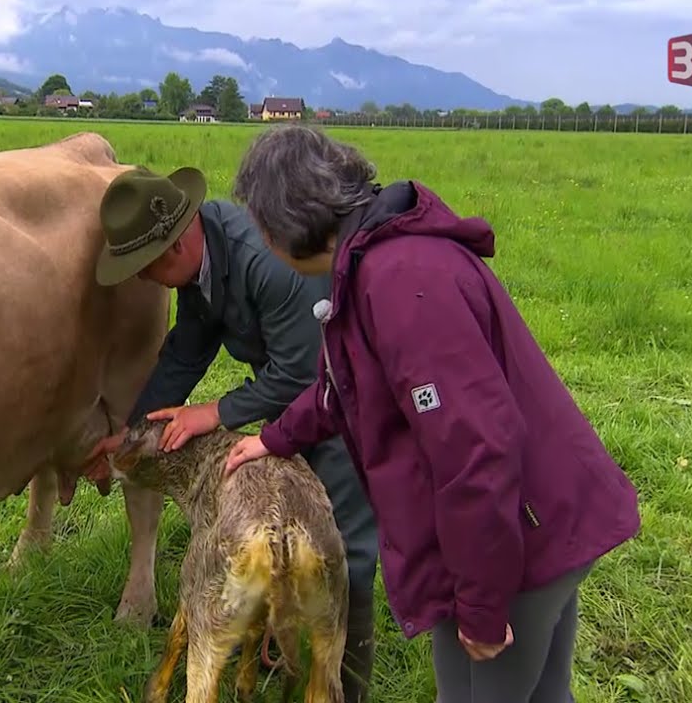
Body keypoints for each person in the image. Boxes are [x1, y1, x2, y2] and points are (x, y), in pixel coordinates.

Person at [222, 124, 642, 703]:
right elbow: (345, 384)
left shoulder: (400, 281)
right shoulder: (369, 261)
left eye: (261, 226)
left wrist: (482, 603)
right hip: (542, 518)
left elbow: (478, 452)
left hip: (516, 541)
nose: (261, 241)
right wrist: (276, 437)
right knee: (544, 695)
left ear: (290, 221)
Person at [83, 165, 379, 701]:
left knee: (341, 545)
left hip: (348, 397)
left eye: (141, 270)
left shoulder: (265, 263)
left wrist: (214, 412)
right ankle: (278, 631)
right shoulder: (205, 258)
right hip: (304, 392)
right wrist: (130, 439)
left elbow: (300, 374)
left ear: (169, 251)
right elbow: (186, 351)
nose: (141, 282)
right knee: (281, 516)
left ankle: (345, 685)